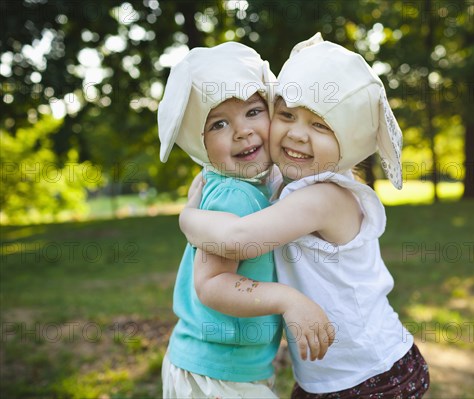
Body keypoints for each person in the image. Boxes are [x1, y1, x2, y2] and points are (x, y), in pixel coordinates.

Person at [180, 33, 430, 398]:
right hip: (330, 376)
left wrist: (187, 216)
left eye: (320, 125)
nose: (297, 134)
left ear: (350, 139)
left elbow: (239, 240)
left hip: (371, 374)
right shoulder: (292, 181)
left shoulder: (323, 196)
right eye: (286, 115)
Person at [157, 41, 334, 399]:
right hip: (216, 374)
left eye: (254, 112)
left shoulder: (251, 186)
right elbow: (213, 283)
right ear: (199, 142)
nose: (242, 131)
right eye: (219, 123)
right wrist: (288, 300)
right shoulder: (233, 195)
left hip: (221, 367)